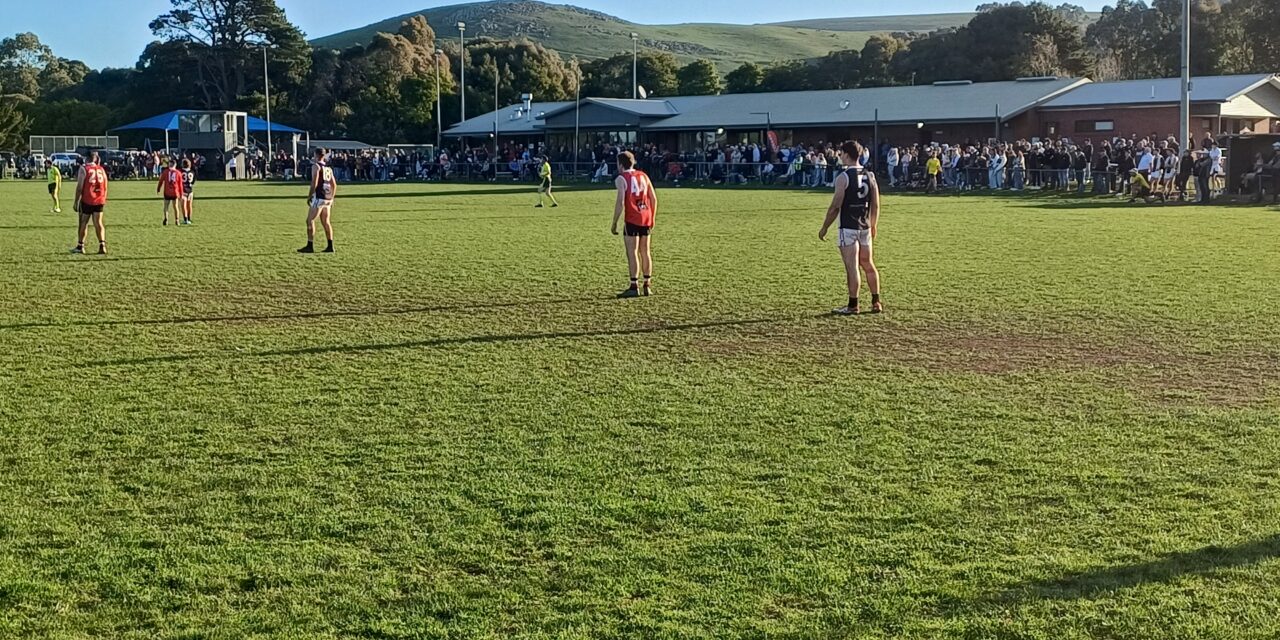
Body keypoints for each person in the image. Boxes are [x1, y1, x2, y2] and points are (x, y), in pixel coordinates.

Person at [819, 140, 882, 316]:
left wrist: (824, 227)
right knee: (868, 264)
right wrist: (874, 224)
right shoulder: (870, 175)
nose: (840, 157)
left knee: (852, 266)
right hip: (865, 226)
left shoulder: (843, 177)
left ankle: (853, 305)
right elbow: (876, 204)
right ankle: (876, 301)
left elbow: (835, 206)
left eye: (841, 154)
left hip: (848, 227)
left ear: (846, 154)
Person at [610, 151, 657, 298]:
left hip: (632, 218)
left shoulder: (621, 178)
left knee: (632, 252)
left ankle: (633, 286)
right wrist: (652, 218)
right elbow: (653, 198)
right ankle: (647, 285)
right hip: (646, 217)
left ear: (620, 164)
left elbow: (621, 202)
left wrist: (614, 222)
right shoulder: (643, 175)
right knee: (645, 251)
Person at [299, 148, 337, 253]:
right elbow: (334, 184)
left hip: (319, 196)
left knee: (310, 220)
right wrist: (332, 197)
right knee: (326, 222)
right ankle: (330, 245)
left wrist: (310, 195)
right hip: (328, 197)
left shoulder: (316, 166)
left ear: (316, 155)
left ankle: (310, 245)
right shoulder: (328, 168)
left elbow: (314, 183)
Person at [72, 152, 109, 255]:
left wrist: (76, 201)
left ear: (86, 158)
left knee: (83, 222)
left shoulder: (84, 169)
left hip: (88, 199)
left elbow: (80, 187)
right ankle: (102, 245)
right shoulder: (101, 169)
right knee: (99, 223)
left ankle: (80, 246)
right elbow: (105, 184)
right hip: (99, 199)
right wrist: (103, 198)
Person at [157, 157, 185, 225]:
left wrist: (158, 188)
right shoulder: (178, 173)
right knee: (175, 206)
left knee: (166, 206)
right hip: (175, 192)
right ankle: (177, 220)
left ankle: (166, 219)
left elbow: (161, 181)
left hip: (167, 192)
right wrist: (181, 194)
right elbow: (180, 185)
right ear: (175, 165)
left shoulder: (165, 172)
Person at [180, 158, 196, 225]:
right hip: (190, 190)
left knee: (184, 206)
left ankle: (185, 219)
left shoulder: (180, 171)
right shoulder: (192, 172)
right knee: (189, 206)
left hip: (183, 190)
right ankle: (189, 219)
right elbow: (193, 181)